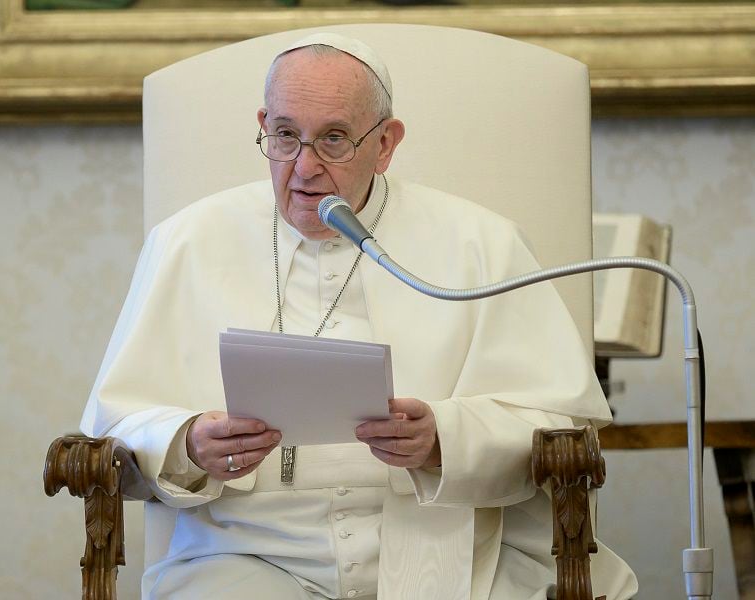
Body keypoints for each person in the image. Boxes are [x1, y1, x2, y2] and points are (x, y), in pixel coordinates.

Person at [80, 33, 637, 600]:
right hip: (241, 555)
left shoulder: (481, 243)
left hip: (451, 551)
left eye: (335, 140)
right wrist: (189, 444)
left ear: (386, 143)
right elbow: (112, 430)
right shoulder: (187, 243)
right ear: (264, 126)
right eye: (286, 136)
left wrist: (444, 439)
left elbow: (565, 428)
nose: (305, 167)